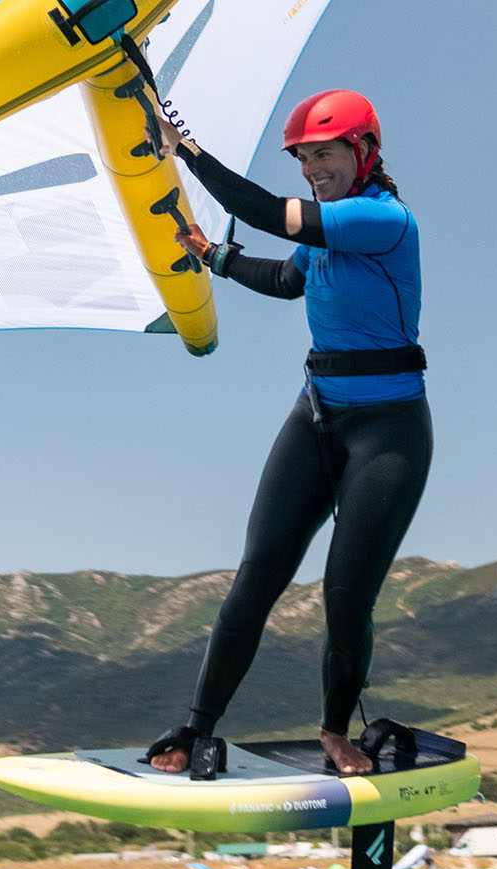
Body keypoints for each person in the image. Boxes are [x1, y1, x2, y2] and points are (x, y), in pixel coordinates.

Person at [141, 89, 430, 780]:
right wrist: (210, 255)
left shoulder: (380, 219)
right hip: (316, 417)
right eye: (303, 158)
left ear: (363, 152)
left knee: (344, 593)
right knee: (258, 573)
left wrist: (185, 149)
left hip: (388, 433)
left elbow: (273, 216)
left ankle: (335, 730)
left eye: (323, 154)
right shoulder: (332, 233)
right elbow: (284, 278)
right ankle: (198, 726)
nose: (311, 169)